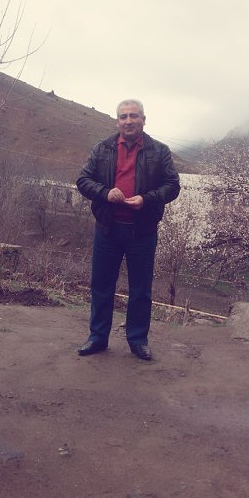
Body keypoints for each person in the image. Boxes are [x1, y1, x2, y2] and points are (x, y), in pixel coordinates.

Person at [76, 99, 180, 360]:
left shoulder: (159, 151)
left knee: (140, 289)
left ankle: (138, 340)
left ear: (143, 119)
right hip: (108, 228)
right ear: (117, 122)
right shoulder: (103, 148)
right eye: (123, 116)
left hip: (142, 230)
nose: (129, 121)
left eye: (134, 116)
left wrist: (147, 199)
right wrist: (105, 192)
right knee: (101, 285)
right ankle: (97, 338)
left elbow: (172, 186)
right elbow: (83, 180)